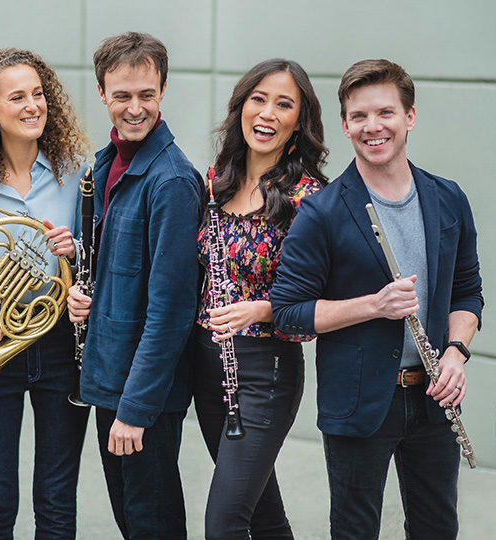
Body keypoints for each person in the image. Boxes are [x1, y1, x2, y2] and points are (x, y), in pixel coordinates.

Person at [270, 59, 484, 540]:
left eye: (385, 112)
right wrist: (373, 305)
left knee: (436, 528)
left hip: (434, 398)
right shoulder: (321, 213)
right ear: (345, 125)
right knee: (355, 530)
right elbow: (287, 312)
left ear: (409, 116)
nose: (373, 127)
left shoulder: (448, 199)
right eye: (359, 116)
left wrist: (455, 352)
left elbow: (468, 293)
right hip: (359, 400)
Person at [0, 48, 91, 539]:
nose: (33, 105)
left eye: (38, 94)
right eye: (17, 97)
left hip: (58, 346)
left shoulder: (78, 172)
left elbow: (93, 259)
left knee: (55, 499)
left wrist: (72, 252)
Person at [66, 32, 202, 540]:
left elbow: (171, 311)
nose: (135, 107)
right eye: (122, 95)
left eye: (146, 94)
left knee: (152, 523)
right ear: (101, 92)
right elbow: (117, 273)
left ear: (163, 89)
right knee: (132, 520)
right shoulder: (105, 165)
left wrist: (135, 410)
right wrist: (86, 295)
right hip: (110, 379)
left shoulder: (170, 181)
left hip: (141, 395)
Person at [193, 59, 327, 540]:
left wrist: (262, 307)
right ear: (241, 107)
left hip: (264, 368)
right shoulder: (216, 181)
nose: (268, 112)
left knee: (223, 524)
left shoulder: (309, 198)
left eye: (284, 103)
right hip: (207, 367)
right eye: (259, 99)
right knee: (264, 516)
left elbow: (320, 302)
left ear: (299, 121)